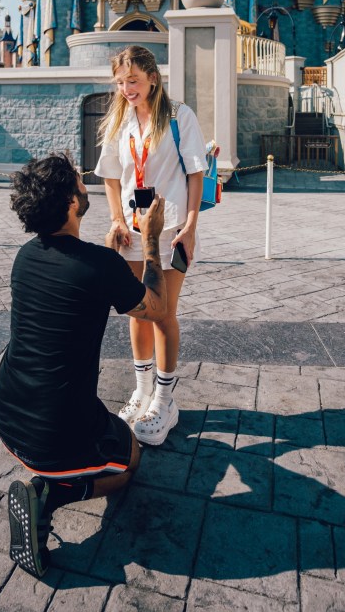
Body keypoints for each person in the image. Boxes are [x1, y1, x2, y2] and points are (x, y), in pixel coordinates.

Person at [0, 152, 167, 578]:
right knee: (130, 462)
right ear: (72, 201)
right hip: (54, 433)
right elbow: (157, 308)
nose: (86, 186)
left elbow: (76, 280)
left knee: (94, 434)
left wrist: (107, 259)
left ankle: (49, 475)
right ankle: (47, 495)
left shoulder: (25, 256)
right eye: (80, 182)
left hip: (7, 417)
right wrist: (152, 239)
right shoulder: (100, 267)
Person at [95, 45, 207, 446]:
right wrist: (116, 219)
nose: (127, 89)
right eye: (121, 82)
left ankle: (164, 400)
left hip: (170, 229)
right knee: (137, 311)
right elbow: (111, 177)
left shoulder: (179, 116)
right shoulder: (119, 119)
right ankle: (141, 392)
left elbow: (195, 174)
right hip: (132, 231)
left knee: (163, 313)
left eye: (133, 80)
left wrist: (190, 227)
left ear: (152, 79)